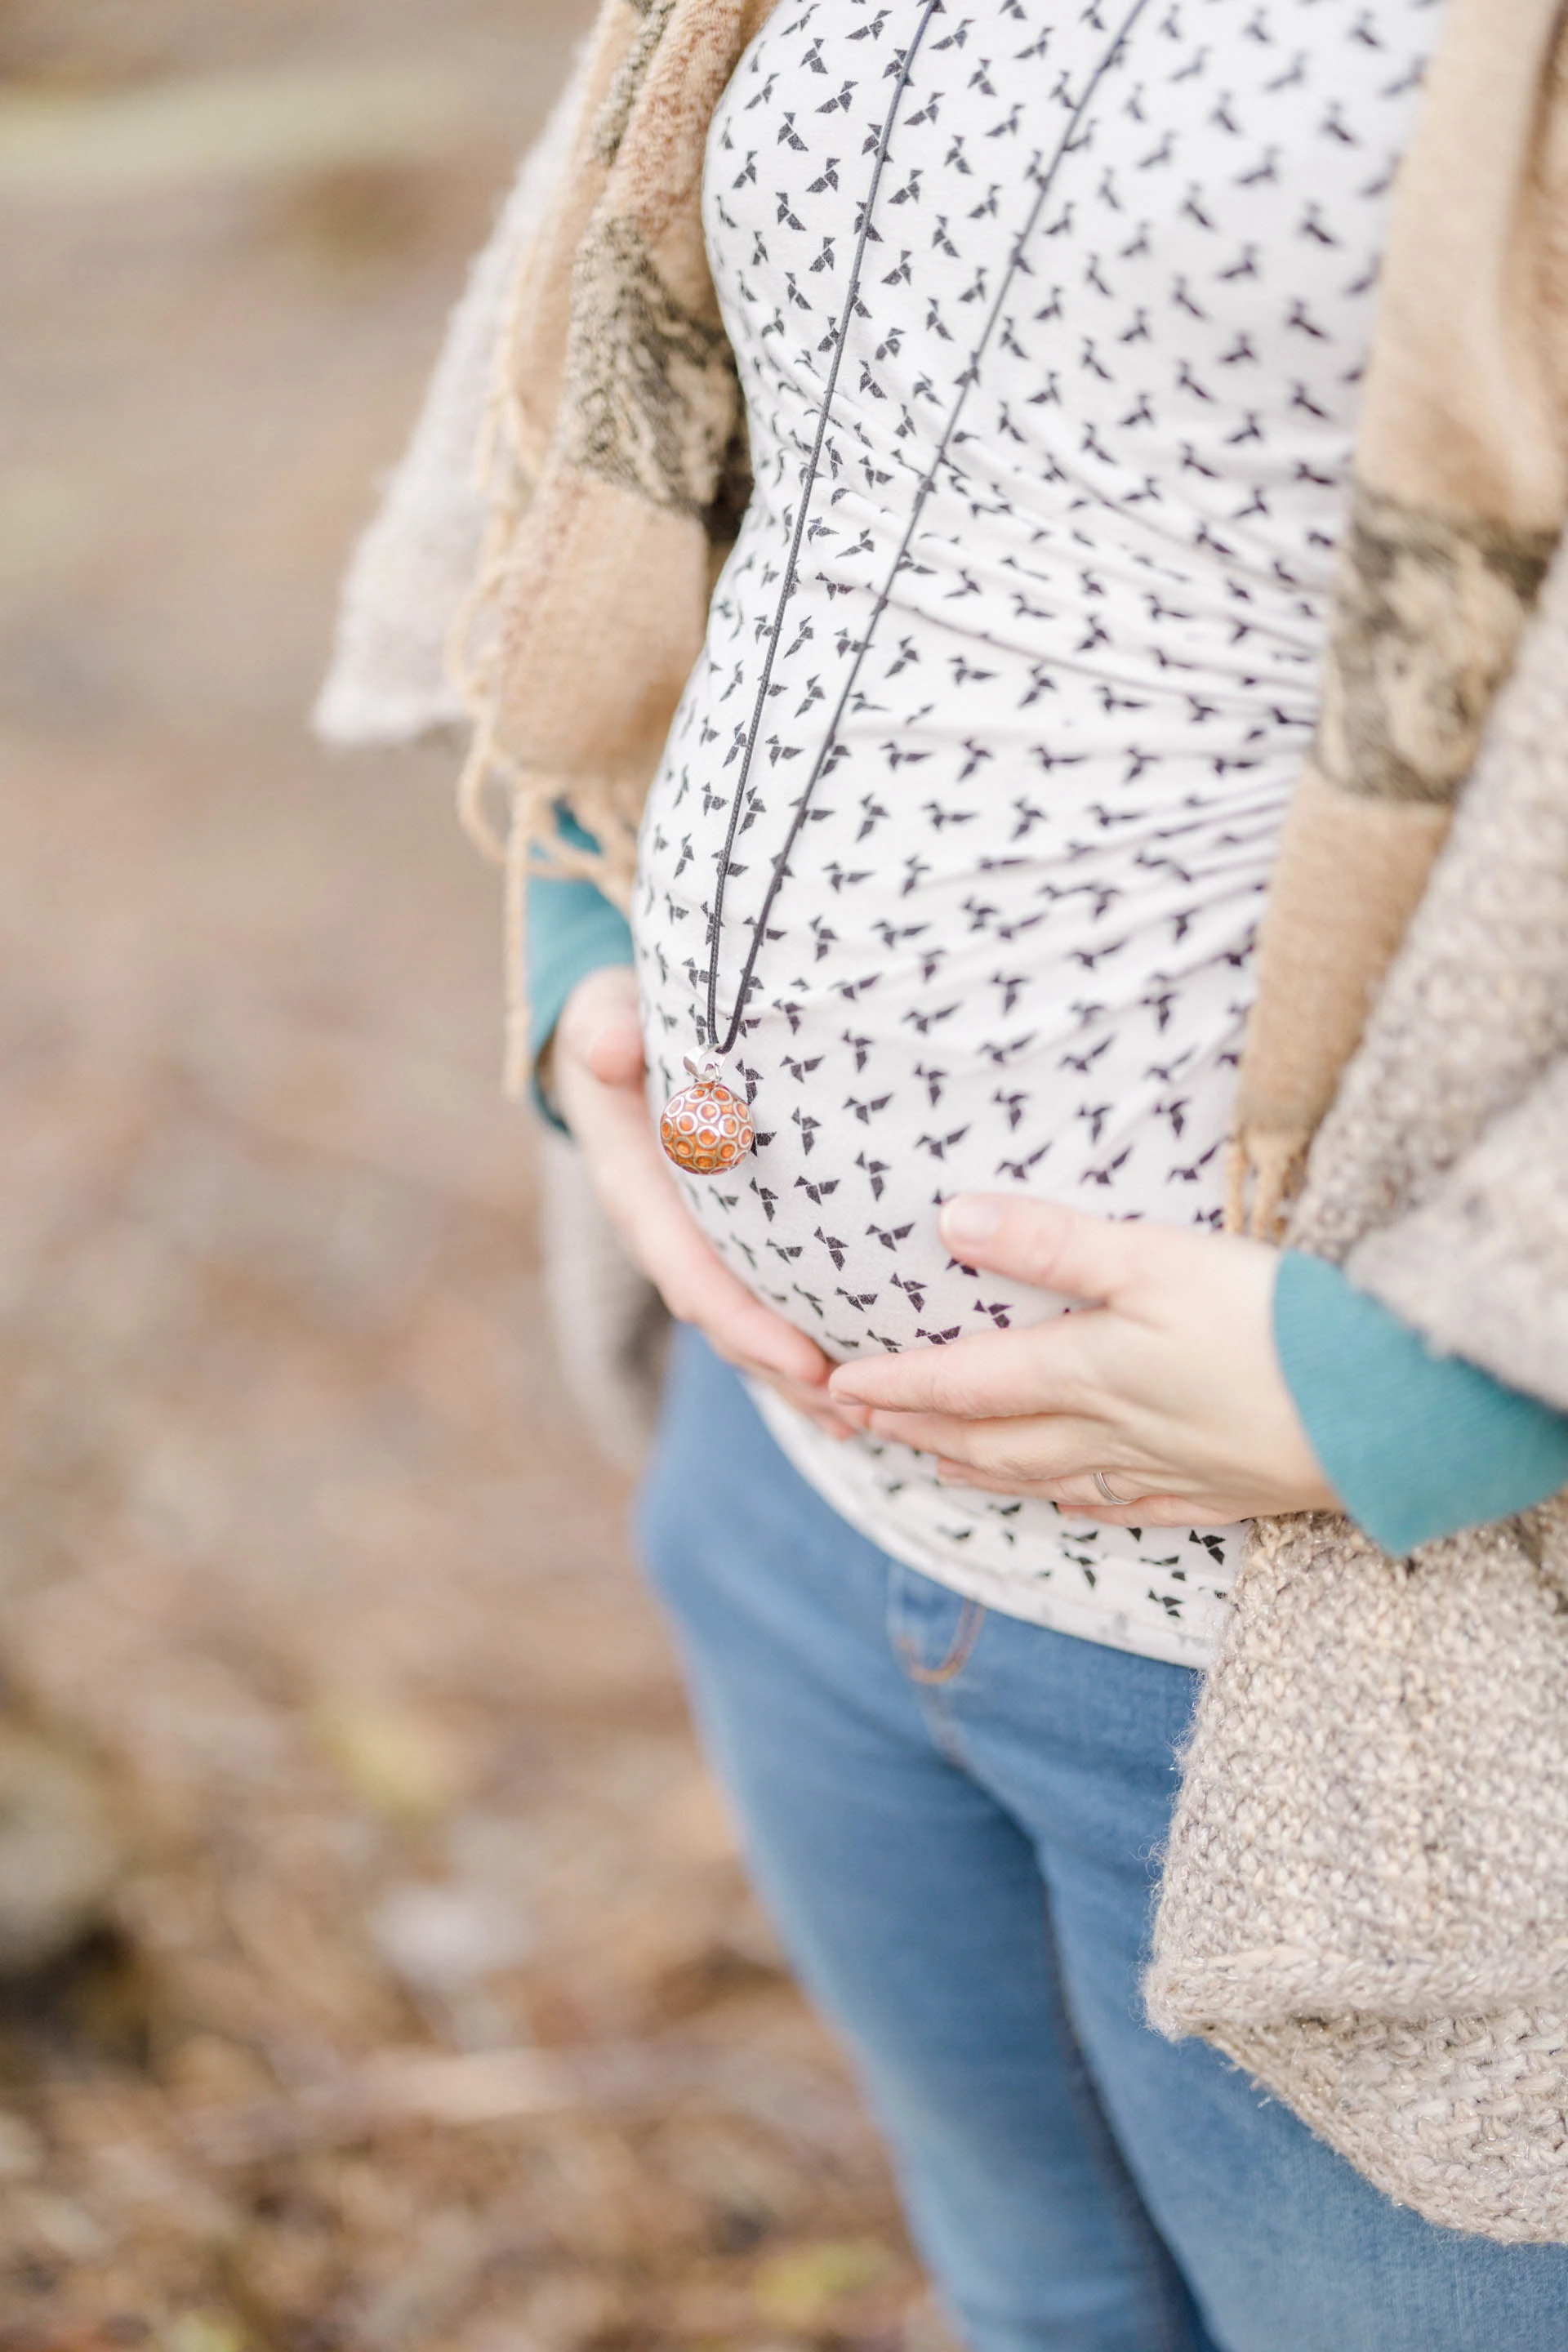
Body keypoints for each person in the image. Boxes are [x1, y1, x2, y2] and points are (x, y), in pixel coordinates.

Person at [344, 0, 1568, 2340]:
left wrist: (1447, 1387)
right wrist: (594, 915)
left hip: (1330, 1657)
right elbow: (655, 348)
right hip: (790, 1516)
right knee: (1035, 2299)